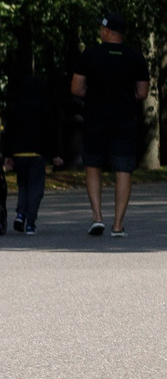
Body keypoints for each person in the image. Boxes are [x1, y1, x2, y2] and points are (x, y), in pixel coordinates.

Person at [71, 12, 151, 239]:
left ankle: (97, 217)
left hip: (96, 117)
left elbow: (76, 88)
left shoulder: (90, 54)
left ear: (106, 31)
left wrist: (94, 95)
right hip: (124, 119)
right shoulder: (135, 57)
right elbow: (142, 93)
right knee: (123, 168)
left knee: (93, 165)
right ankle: (118, 224)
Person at [7, 64, 59, 234]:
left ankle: (20, 214)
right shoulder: (44, 108)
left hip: (19, 153)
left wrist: (8, 155)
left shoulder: (15, 108)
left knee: (23, 186)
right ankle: (30, 222)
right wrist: (54, 154)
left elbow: (9, 133)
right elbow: (49, 133)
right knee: (36, 189)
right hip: (37, 154)